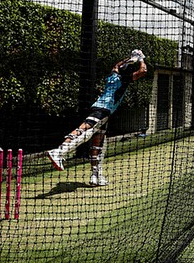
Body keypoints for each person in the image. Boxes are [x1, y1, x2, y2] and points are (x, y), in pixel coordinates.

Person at [46, 49, 147, 186]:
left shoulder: (112, 76)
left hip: (100, 108)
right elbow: (143, 71)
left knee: (97, 144)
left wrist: (129, 59)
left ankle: (95, 176)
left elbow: (117, 66)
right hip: (103, 109)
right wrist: (141, 59)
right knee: (84, 129)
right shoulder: (124, 80)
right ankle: (59, 151)